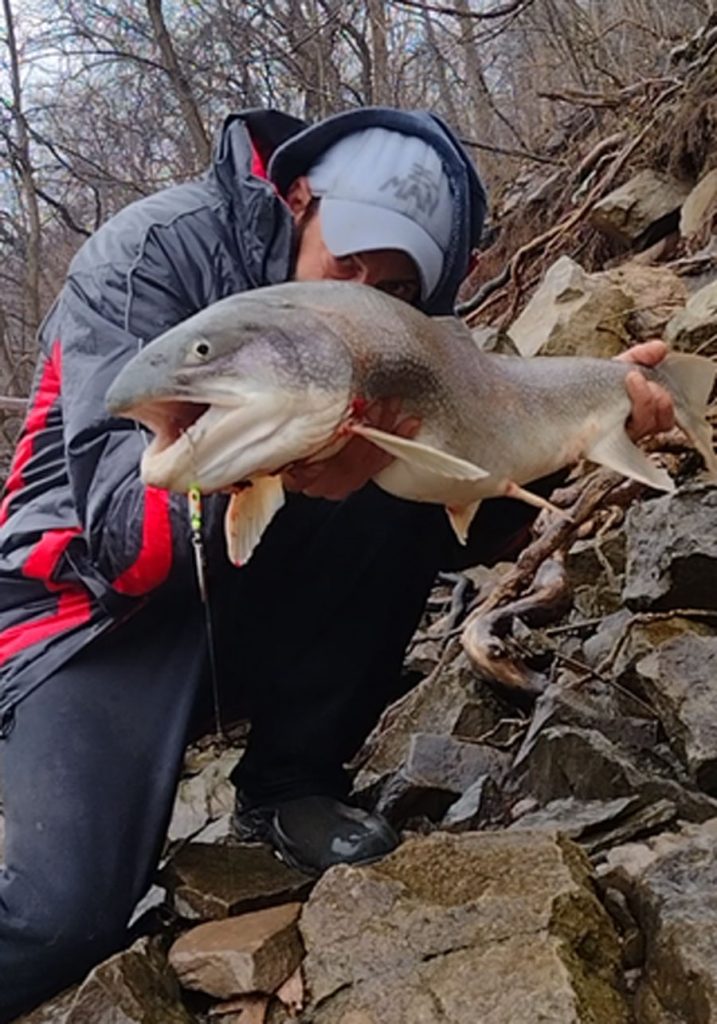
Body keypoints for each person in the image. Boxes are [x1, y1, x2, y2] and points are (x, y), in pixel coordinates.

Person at [0, 106, 673, 1021]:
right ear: (299, 199)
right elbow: (124, 540)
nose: (359, 286)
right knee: (62, 923)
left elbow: (447, 540)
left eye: (389, 282)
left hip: (241, 607)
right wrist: (288, 456)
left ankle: (288, 785)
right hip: (76, 614)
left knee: (389, 466)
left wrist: (577, 431)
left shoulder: (406, 335)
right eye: (346, 257)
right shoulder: (151, 254)